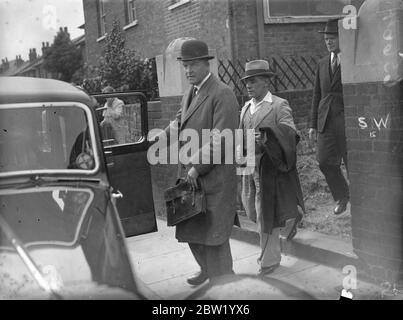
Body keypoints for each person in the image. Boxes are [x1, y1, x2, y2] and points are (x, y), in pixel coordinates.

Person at [162, 39, 239, 286]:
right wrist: (154, 142)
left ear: (207, 64)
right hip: (192, 177)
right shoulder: (190, 93)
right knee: (192, 230)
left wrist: (196, 167)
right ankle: (206, 270)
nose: (188, 70)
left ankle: (224, 283)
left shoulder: (222, 94)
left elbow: (222, 140)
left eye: (193, 64)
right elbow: (177, 125)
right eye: (185, 66)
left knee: (214, 236)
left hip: (213, 178)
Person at [239, 60, 304, 276]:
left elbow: (290, 133)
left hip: (270, 171)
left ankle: (269, 260)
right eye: (247, 81)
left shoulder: (278, 105)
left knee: (264, 216)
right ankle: (292, 215)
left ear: (266, 81)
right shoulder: (245, 108)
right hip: (250, 169)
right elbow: (241, 137)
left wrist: (267, 136)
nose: (249, 85)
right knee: (250, 209)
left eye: (254, 80)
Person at [308, 18, 349, 215]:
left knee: (352, 163)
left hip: (347, 121)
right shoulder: (322, 63)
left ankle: (361, 202)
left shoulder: (351, 60)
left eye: (333, 37)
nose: (329, 41)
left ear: (342, 38)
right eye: (326, 38)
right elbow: (317, 94)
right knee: (324, 161)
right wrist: (312, 124)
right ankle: (342, 195)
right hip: (326, 120)